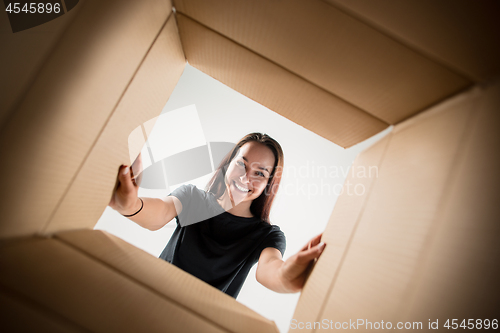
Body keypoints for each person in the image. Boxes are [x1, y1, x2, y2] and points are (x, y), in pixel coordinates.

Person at [109, 132, 325, 298]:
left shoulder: (267, 235)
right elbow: (158, 214)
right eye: (242, 164)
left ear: (269, 184)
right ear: (228, 164)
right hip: (148, 301)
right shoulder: (192, 198)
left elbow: (269, 270)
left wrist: (287, 275)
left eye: (259, 173)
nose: (245, 177)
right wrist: (129, 205)